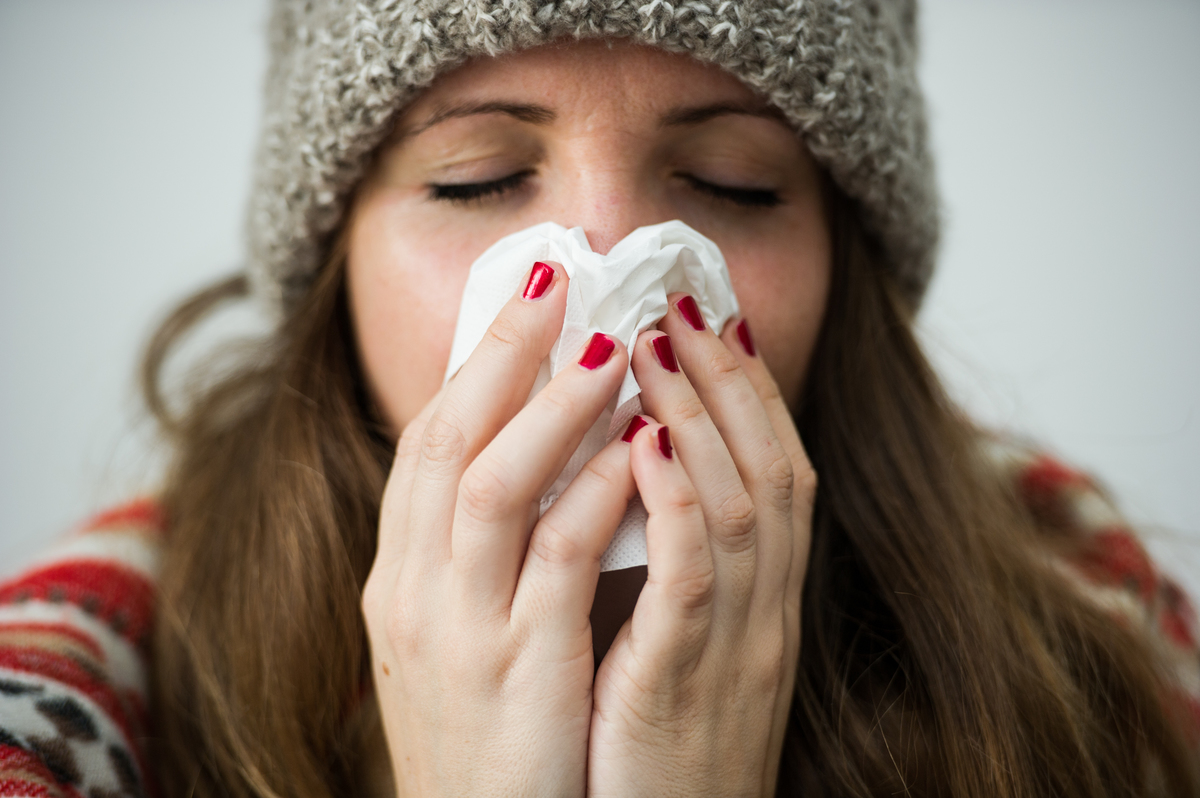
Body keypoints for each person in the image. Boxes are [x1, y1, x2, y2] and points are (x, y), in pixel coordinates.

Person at [1, 1, 1197, 796]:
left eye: (730, 183)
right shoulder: (64, 713)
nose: (611, 268)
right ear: (336, 265)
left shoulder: (1120, 701)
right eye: (478, 180)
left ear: (848, 266)